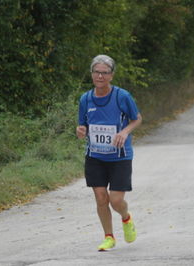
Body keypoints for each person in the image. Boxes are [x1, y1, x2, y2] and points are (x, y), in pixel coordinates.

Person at [76, 54, 142, 251]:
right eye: (96, 72)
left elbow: (137, 118)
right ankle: (109, 237)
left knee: (116, 200)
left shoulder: (122, 96)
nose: (100, 76)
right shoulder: (85, 99)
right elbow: (82, 125)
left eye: (104, 73)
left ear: (111, 75)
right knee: (100, 198)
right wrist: (80, 131)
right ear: (92, 74)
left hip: (119, 156)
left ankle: (126, 217)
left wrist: (124, 131)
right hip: (95, 156)